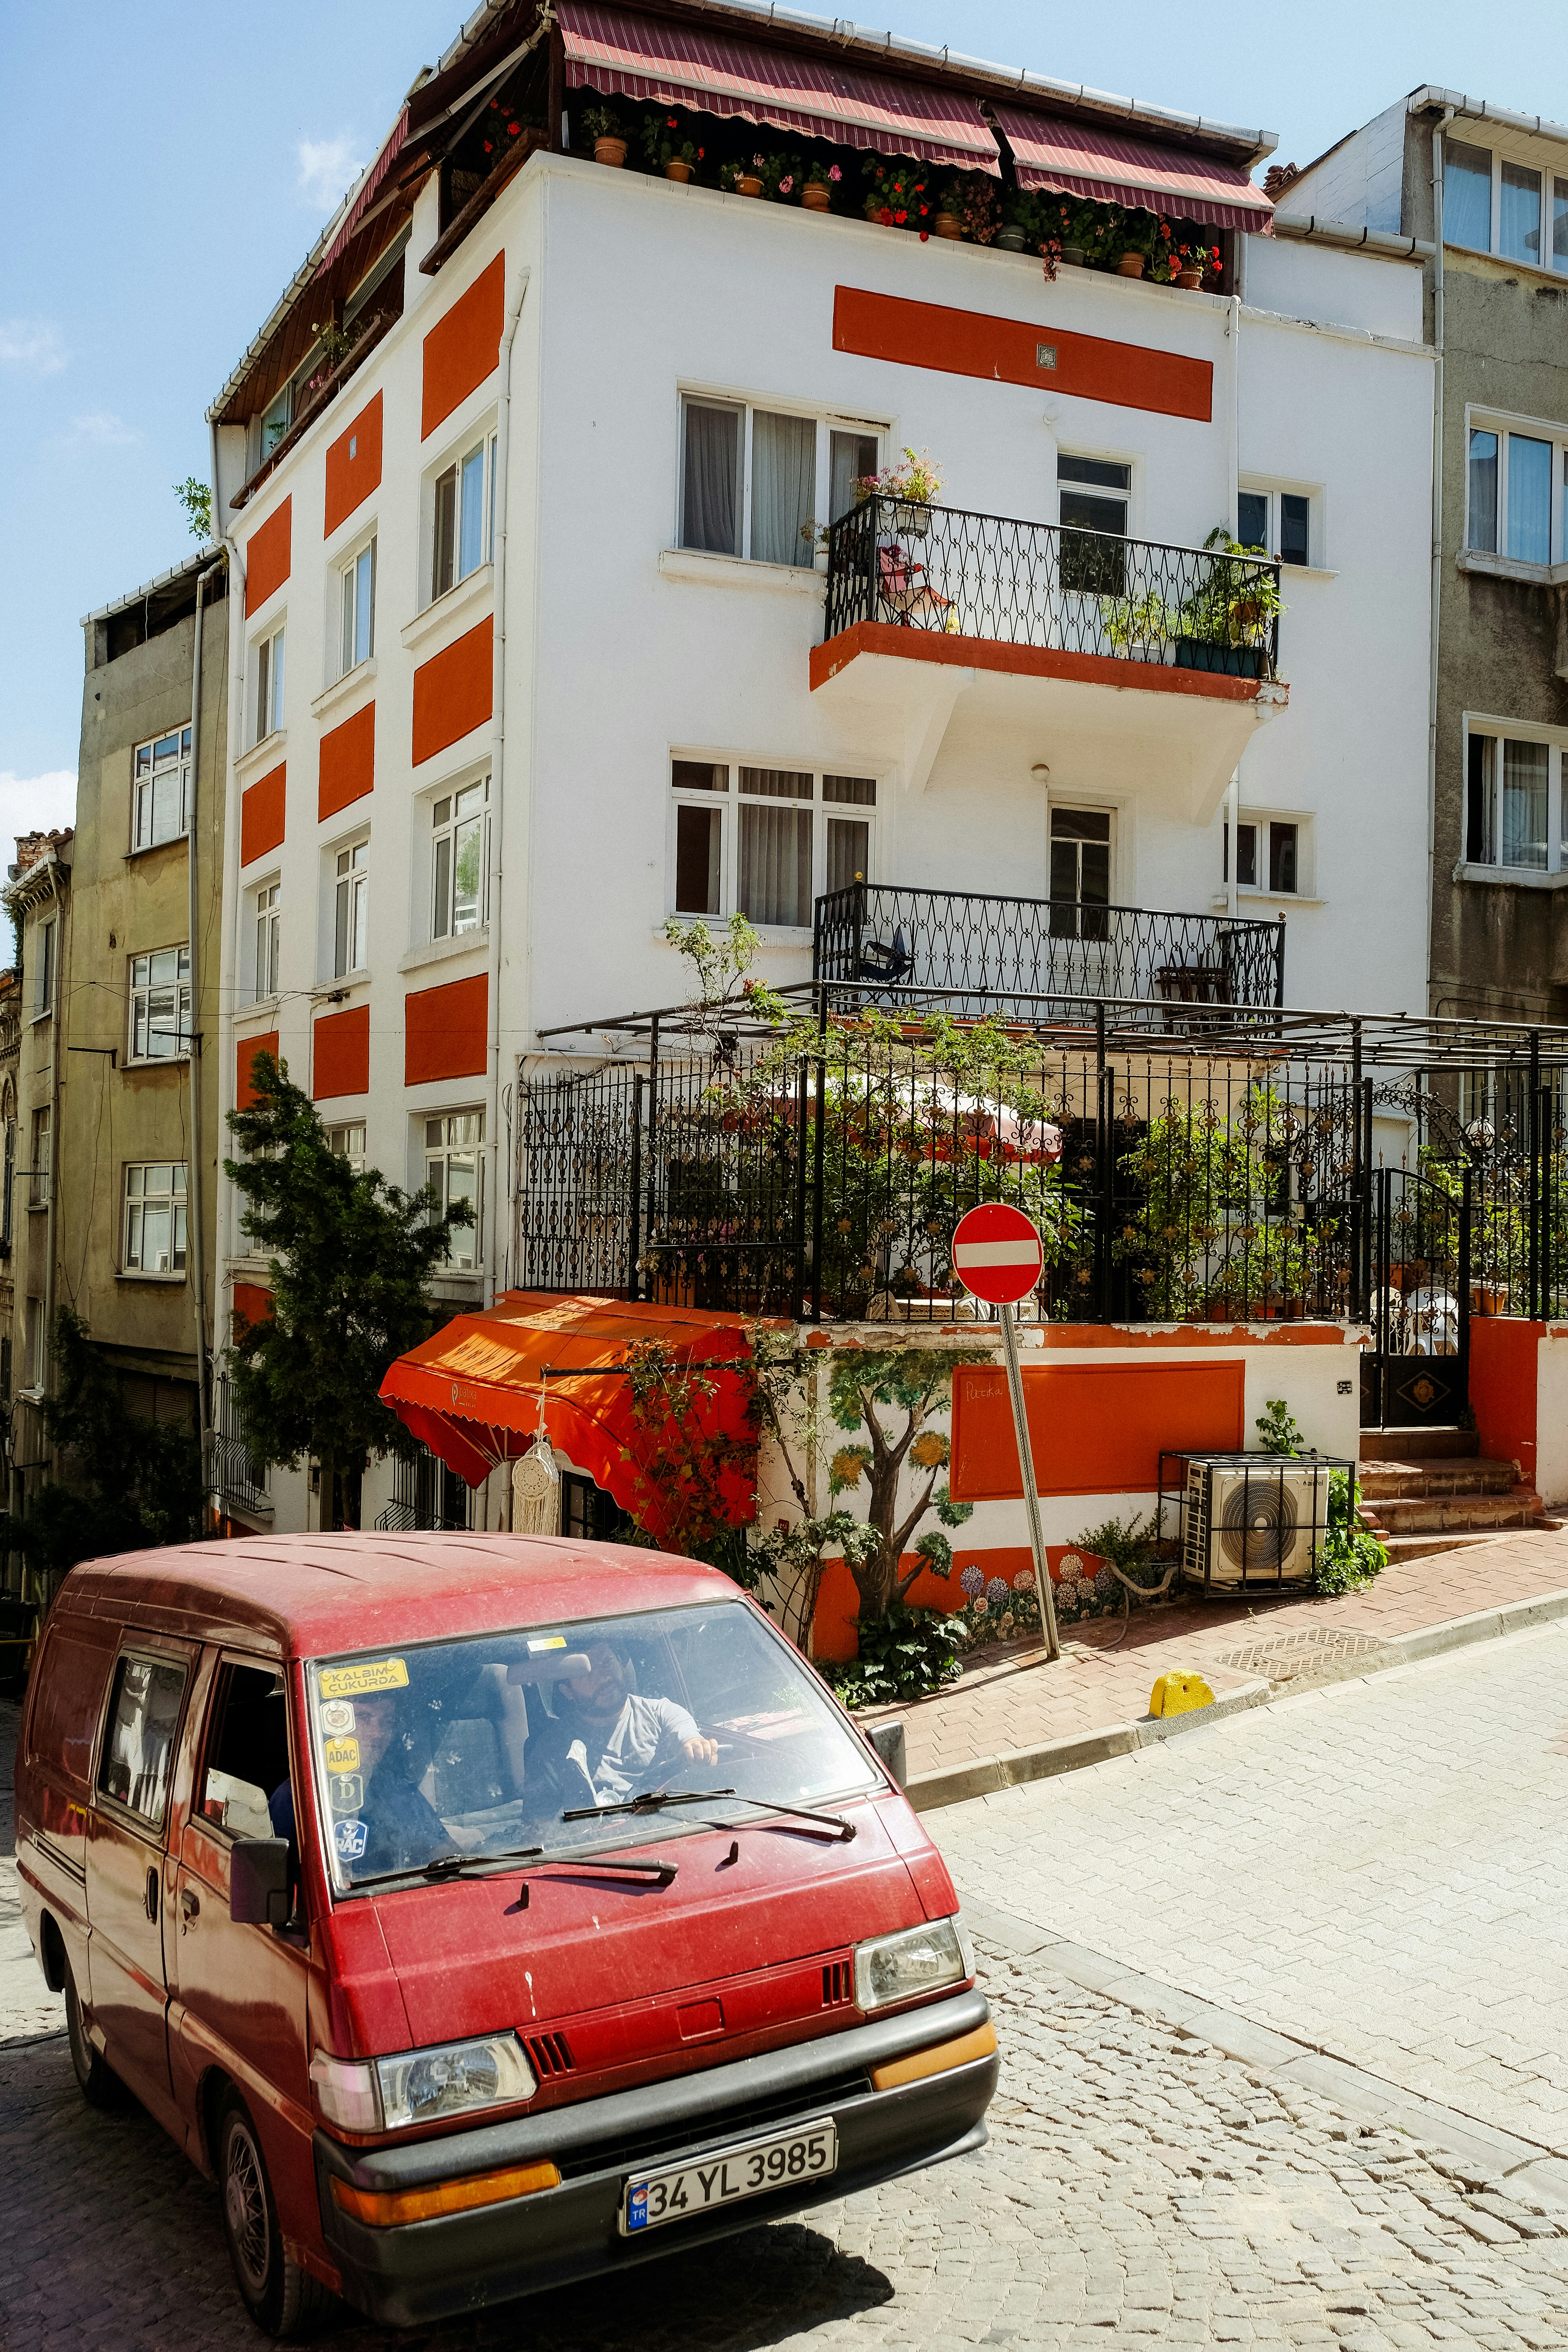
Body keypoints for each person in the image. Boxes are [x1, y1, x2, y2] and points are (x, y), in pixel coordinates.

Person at [541, 1639, 717, 1806]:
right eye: (586, 1673)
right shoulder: (551, 1749)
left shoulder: (662, 1713)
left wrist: (698, 1749)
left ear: (621, 1663)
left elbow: (689, 1739)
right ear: (568, 1691)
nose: (604, 1678)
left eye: (607, 1662)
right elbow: (538, 1829)